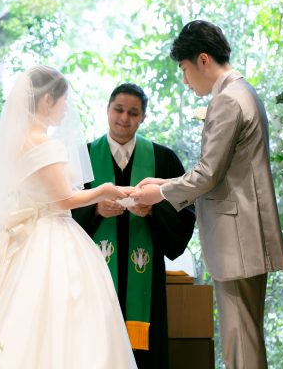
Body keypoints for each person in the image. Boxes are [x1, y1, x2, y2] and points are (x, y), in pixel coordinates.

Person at [0, 66, 138, 369]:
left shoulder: (18, 141)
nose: (66, 109)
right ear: (46, 101)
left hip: (27, 237)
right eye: (63, 101)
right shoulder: (44, 143)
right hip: (52, 233)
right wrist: (104, 190)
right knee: (67, 314)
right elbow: (63, 199)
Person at [131, 20, 283, 369]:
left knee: (240, 340)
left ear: (203, 60)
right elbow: (219, 171)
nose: (185, 81)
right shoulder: (244, 92)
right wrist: (162, 184)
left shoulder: (227, 100)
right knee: (245, 336)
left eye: (184, 70)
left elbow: (208, 173)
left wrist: (159, 193)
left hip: (237, 238)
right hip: (245, 233)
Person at [72, 83, 195, 369]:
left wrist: (153, 210)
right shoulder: (83, 158)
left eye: (133, 113)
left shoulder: (163, 159)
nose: (124, 118)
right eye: (119, 109)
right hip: (92, 276)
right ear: (107, 109)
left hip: (145, 282)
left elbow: (186, 212)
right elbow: (61, 210)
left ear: (143, 117)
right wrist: (95, 209)